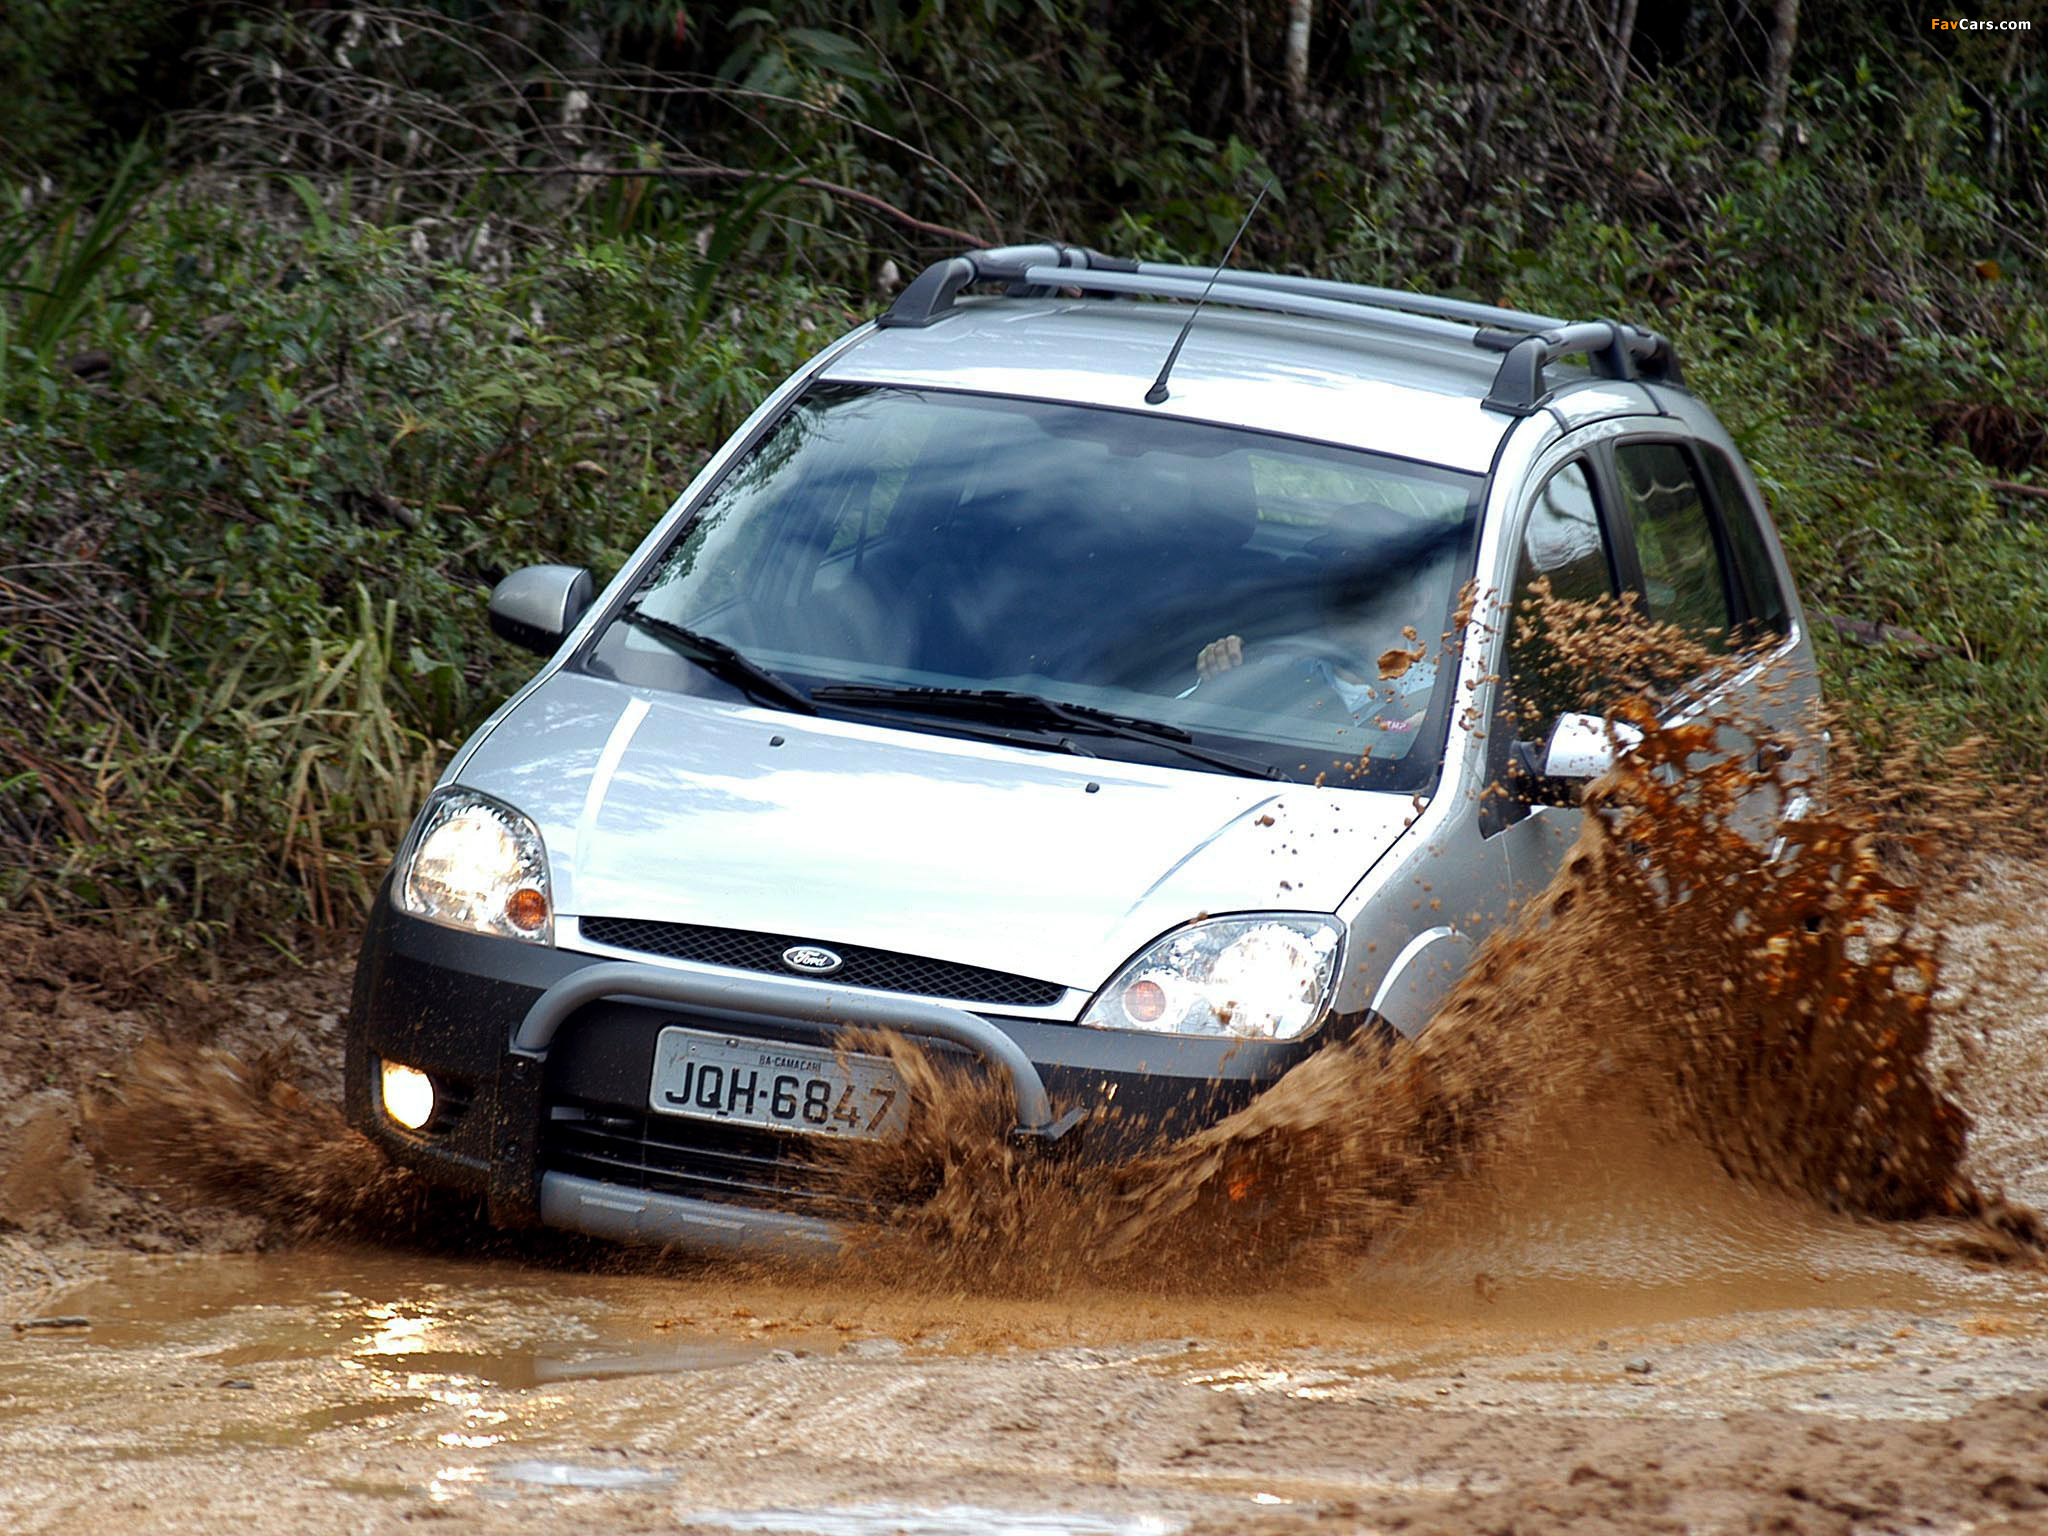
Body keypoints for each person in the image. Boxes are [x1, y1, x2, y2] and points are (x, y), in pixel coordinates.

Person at [1188, 629, 1438, 736]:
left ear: (1418, 600)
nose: (1357, 598)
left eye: (1375, 586)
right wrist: (1216, 678)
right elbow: (1177, 718)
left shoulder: (1443, 696)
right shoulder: (1272, 667)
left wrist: (1414, 733)